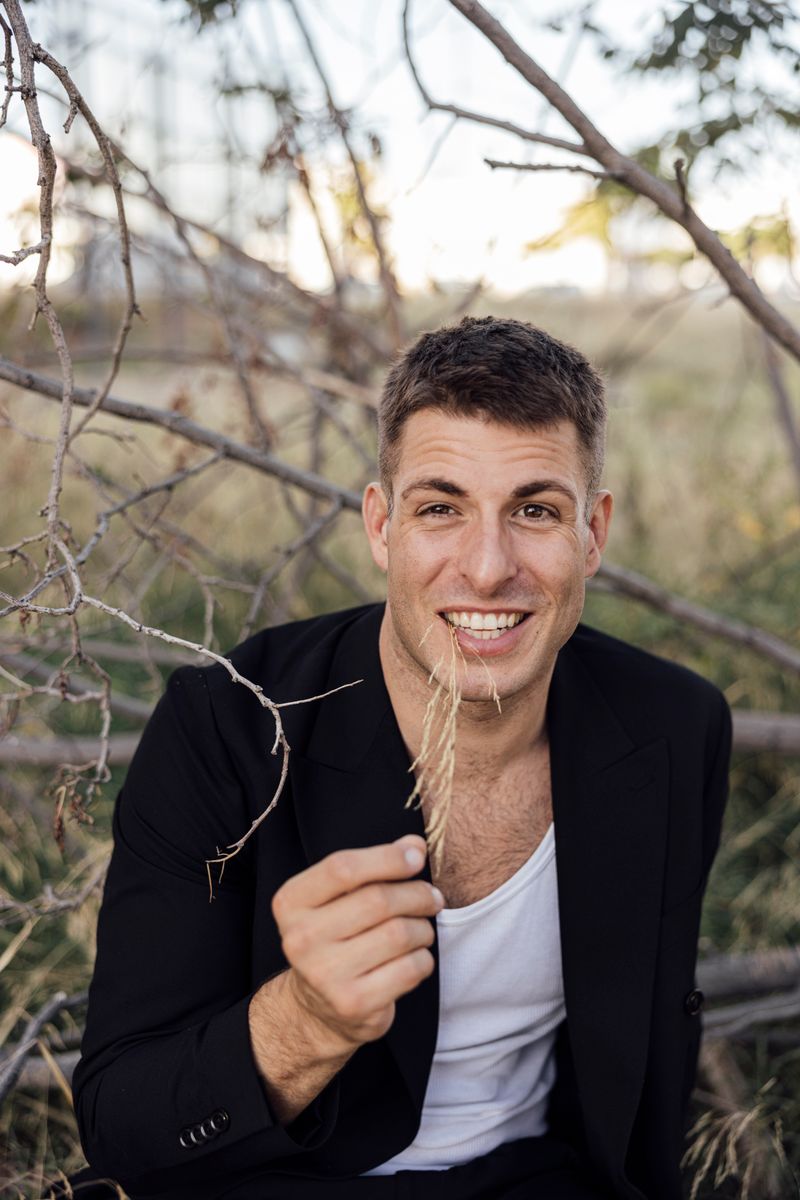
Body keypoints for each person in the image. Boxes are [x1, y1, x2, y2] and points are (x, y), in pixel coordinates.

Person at [69, 316, 732, 1200]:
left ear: (593, 534)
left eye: (535, 510)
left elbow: (643, 1056)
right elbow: (123, 1124)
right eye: (440, 508)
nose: (488, 569)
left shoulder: (674, 726)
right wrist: (306, 1021)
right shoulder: (227, 726)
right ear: (382, 526)